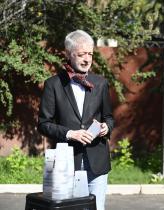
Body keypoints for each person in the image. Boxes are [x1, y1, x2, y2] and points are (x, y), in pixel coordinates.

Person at [38, 29, 114, 210]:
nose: (87, 59)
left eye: (90, 54)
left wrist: (106, 128)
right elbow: (43, 124)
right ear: (69, 54)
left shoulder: (101, 83)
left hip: (97, 161)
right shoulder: (53, 84)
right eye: (81, 54)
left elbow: (109, 117)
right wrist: (70, 134)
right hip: (66, 163)